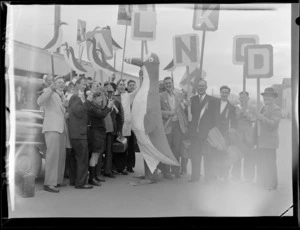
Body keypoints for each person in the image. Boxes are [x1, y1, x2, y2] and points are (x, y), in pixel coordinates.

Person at [37, 76, 69, 193]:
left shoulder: (61, 95)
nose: (61, 84)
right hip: (52, 128)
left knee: (60, 155)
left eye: (63, 82)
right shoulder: (48, 91)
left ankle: (57, 180)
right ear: (54, 83)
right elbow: (40, 101)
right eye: (59, 82)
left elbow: (61, 113)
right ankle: (49, 183)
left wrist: (66, 108)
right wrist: (50, 89)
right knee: (52, 155)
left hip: (61, 129)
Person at [188, 79, 218, 183]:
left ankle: (208, 178)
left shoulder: (212, 100)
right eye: (199, 86)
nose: (201, 88)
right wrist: (186, 106)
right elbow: (189, 116)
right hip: (194, 134)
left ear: (206, 87)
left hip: (207, 134)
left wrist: (212, 131)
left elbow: (215, 118)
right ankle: (195, 177)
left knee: (208, 157)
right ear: (197, 87)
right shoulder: (191, 99)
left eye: (203, 86)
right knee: (195, 156)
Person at [159, 76, 188, 179]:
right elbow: (158, 111)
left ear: (172, 83)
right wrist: (168, 113)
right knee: (168, 149)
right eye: (166, 83)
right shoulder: (160, 96)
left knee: (177, 149)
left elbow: (184, 108)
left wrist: (186, 103)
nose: (168, 85)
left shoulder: (179, 95)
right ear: (164, 85)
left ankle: (176, 170)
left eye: (169, 83)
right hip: (167, 125)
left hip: (178, 125)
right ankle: (166, 172)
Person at [253, 87, 281, 191]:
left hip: (269, 142)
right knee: (261, 162)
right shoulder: (263, 107)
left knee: (270, 164)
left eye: (269, 96)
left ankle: (272, 185)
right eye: (265, 96)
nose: (267, 98)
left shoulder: (276, 109)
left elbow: (273, 124)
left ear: (273, 98)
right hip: (260, 141)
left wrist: (259, 116)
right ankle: (262, 183)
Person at [85, 90, 115, 186]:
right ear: (93, 99)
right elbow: (102, 114)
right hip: (96, 133)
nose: (101, 99)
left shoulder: (95, 107)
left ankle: (93, 176)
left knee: (97, 155)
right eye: (98, 97)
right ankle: (92, 177)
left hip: (99, 133)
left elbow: (103, 112)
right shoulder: (92, 108)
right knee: (95, 155)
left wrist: (108, 107)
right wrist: (109, 107)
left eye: (101, 97)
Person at [68, 77, 93, 189]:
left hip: (77, 133)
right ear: (77, 84)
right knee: (82, 158)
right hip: (79, 133)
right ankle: (81, 182)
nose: (85, 86)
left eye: (85, 84)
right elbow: (79, 112)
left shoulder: (77, 98)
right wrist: (88, 101)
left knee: (76, 158)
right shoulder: (75, 97)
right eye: (83, 84)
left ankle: (75, 180)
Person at [114, 78, 140, 174]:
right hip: (117, 126)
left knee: (127, 147)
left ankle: (127, 166)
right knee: (119, 147)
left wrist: (141, 76)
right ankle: (119, 167)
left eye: (123, 84)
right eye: (120, 84)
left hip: (127, 126)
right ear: (117, 86)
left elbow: (138, 90)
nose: (121, 86)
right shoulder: (114, 96)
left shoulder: (128, 96)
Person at [231, 91, 256, 181]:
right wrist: (241, 113)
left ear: (248, 99)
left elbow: (253, 119)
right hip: (238, 136)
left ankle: (248, 177)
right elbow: (233, 119)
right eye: (241, 98)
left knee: (249, 157)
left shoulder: (252, 108)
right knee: (237, 156)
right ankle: (236, 176)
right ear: (239, 98)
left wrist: (247, 114)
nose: (243, 100)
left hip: (248, 136)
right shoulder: (235, 108)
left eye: (245, 98)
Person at [214, 85, 237, 180]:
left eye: (226, 92)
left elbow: (234, 122)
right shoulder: (214, 103)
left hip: (225, 134)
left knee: (225, 154)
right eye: (222, 92)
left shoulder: (231, 107)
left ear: (228, 94)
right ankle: (216, 174)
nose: (224, 94)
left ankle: (225, 174)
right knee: (215, 153)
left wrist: (231, 131)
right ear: (220, 93)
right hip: (214, 133)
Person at [103, 82, 124, 178]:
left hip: (112, 130)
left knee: (110, 151)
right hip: (101, 129)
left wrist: (120, 129)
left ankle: (108, 169)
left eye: (111, 90)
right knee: (99, 151)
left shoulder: (117, 102)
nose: (109, 92)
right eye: (107, 90)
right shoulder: (100, 100)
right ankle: (99, 170)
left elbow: (120, 117)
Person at [126, 79, 138, 173]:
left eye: (133, 85)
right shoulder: (126, 96)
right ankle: (123, 165)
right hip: (126, 124)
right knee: (125, 145)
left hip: (135, 124)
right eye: (130, 85)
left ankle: (130, 165)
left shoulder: (138, 96)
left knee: (132, 146)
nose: (132, 86)